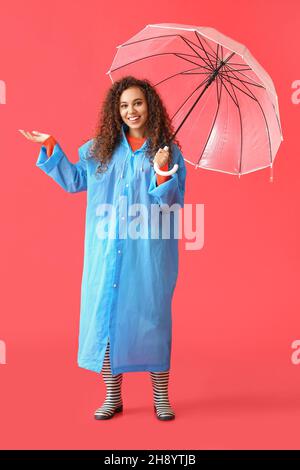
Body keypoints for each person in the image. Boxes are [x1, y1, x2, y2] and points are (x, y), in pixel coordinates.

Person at [19, 75, 187, 421]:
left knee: (152, 320)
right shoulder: (101, 149)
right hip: (106, 251)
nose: (131, 110)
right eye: (124, 105)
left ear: (150, 105)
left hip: (148, 253)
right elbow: (75, 180)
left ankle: (161, 398)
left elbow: (170, 204)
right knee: (108, 319)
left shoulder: (167, 152)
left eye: (138, 103)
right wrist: (52, 145)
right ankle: (113, 397)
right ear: (116, 110)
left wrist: (161, 174)